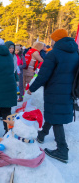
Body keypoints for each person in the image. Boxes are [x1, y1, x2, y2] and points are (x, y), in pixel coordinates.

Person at [28, 29, 79, 163]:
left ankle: (62, 150)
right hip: (68, 90)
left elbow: (43, 75)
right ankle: (42, 134)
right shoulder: (75, 52)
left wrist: (31, 88)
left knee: (56, 119)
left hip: (55, 90)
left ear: (55, 39)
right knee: (54, 113)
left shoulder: (54, 54)